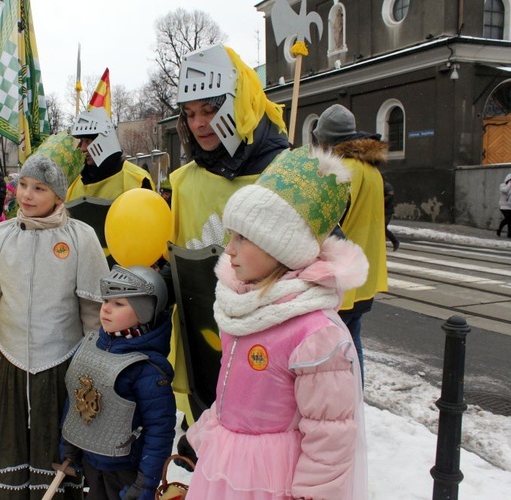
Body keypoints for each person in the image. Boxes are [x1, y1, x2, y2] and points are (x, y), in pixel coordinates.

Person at [178, 145, 368, 499]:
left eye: (243, 238)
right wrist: (206, 432)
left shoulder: (314, 335)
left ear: (281, 247)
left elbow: (331, 432)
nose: (229, 249)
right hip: (225, 465)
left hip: (271, 477)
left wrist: (314, 494)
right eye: (231, 236)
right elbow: (233, 388)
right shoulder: (242, 307)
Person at [0, 154, 110, 498]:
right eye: (23, 185)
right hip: (9, 365)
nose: (27, 195)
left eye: (39, 188)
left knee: (55, 447)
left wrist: (96, 370)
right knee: (9, 443)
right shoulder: (1, 237)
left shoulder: (81, 237)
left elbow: (92, 314)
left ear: (58, 196)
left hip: (61, 365)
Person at [169, 43, 290, 421]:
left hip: (266, 359)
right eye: (189, 114)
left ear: (239, 105)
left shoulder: (284, 173)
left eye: (209, 110)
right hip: (203, 352)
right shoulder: (182, 183)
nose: (199, 124)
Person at [60, 265, 175, 500]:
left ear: (144, 311)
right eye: (106, 301)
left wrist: (146, 482)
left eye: (119, 304)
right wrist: (70, 442)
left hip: (127, 472)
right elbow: (76, 398)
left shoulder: (147, 369)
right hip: (93, 462)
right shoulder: (91, 346)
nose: (106, 309)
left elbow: (159, 430)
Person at [313, 104, 388, 381]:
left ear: (326, 140)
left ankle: (344, 405)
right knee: (353, 341)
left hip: (341, 276)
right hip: (365, 275)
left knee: (333, 351)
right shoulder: (371, 170)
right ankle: (356, 400)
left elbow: (324, 224)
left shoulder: (339, 171)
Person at [66, 107, 154, 202]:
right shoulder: (74, 183)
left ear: (104, 140)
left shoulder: (136, 179)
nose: (83, 148)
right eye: (81, 142)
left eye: (88, 141)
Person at [384, 180, 400, 250]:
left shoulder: (387, 186)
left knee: (382, 227)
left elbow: (390, 196)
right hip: (380, 210)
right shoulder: (377, 185)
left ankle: (395, 241)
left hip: (387, 211)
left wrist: (381, 201)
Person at [496, 173, 511, 238]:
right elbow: (505, 191)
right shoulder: (503, 185)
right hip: (504, 206)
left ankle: (509, 234)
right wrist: (509, 184)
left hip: (510, 206)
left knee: (510, 220)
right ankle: (499, 229)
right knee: (508, 219)